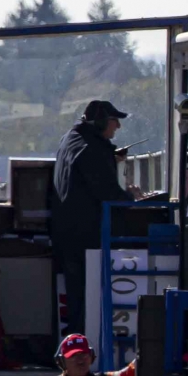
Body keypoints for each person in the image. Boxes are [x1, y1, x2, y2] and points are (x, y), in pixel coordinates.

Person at [48, 99, 143, 336]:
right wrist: (131, 196)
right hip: (87, 237)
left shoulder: (70, 139)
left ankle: (75, 345)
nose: (118, 126)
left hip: (66, 234)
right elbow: (108, 193)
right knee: (90, 298)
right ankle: (87, 347)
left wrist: (109, 157)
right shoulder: (92, 149)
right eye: (114, 121)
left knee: (76, 297)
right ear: (101, 122)